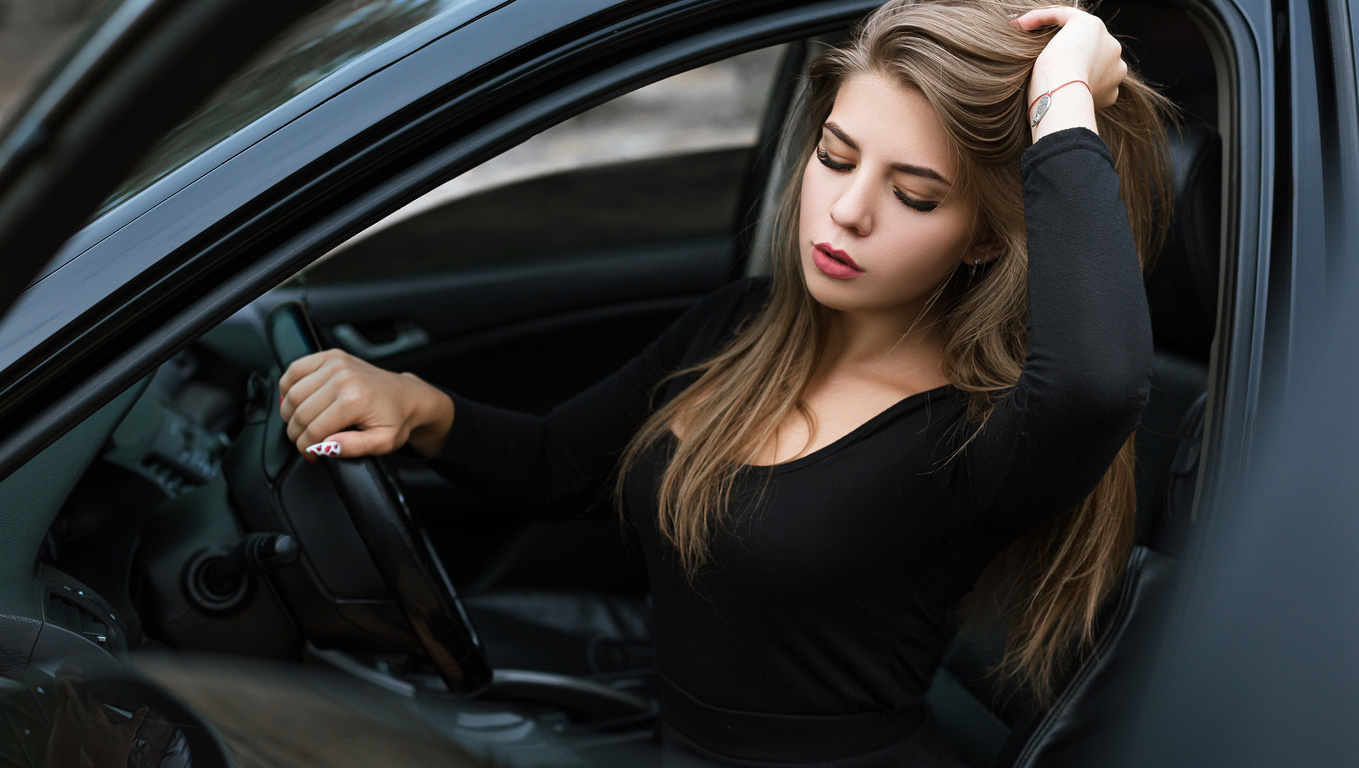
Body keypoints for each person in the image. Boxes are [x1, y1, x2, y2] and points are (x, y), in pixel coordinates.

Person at [277, 0, 1174, 764]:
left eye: (915, 195)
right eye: (836, 155)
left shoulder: (978, 432)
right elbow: (558, 464)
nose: (849, 210)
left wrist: (1063, 102)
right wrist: (420, 409)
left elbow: (1096, 385)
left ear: (983, 237)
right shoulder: (741, 324)